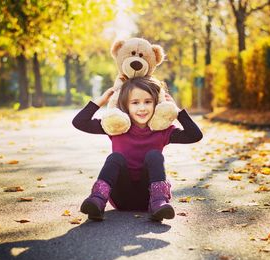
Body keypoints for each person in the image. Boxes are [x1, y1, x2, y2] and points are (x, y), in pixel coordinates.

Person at [72, 77, 203, 221]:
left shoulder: (162, 130)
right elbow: (79, 122)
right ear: (126, 105)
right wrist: (103, 99)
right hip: (121, 197)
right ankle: (97, 199)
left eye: (148, 102)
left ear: (156, 104)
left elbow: (194, 135)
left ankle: (159, 202)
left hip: (150, 199)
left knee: (154, 155)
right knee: (115, 158)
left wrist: (175, 110)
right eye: (135, 103)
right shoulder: (116, 126)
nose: (142, 108)